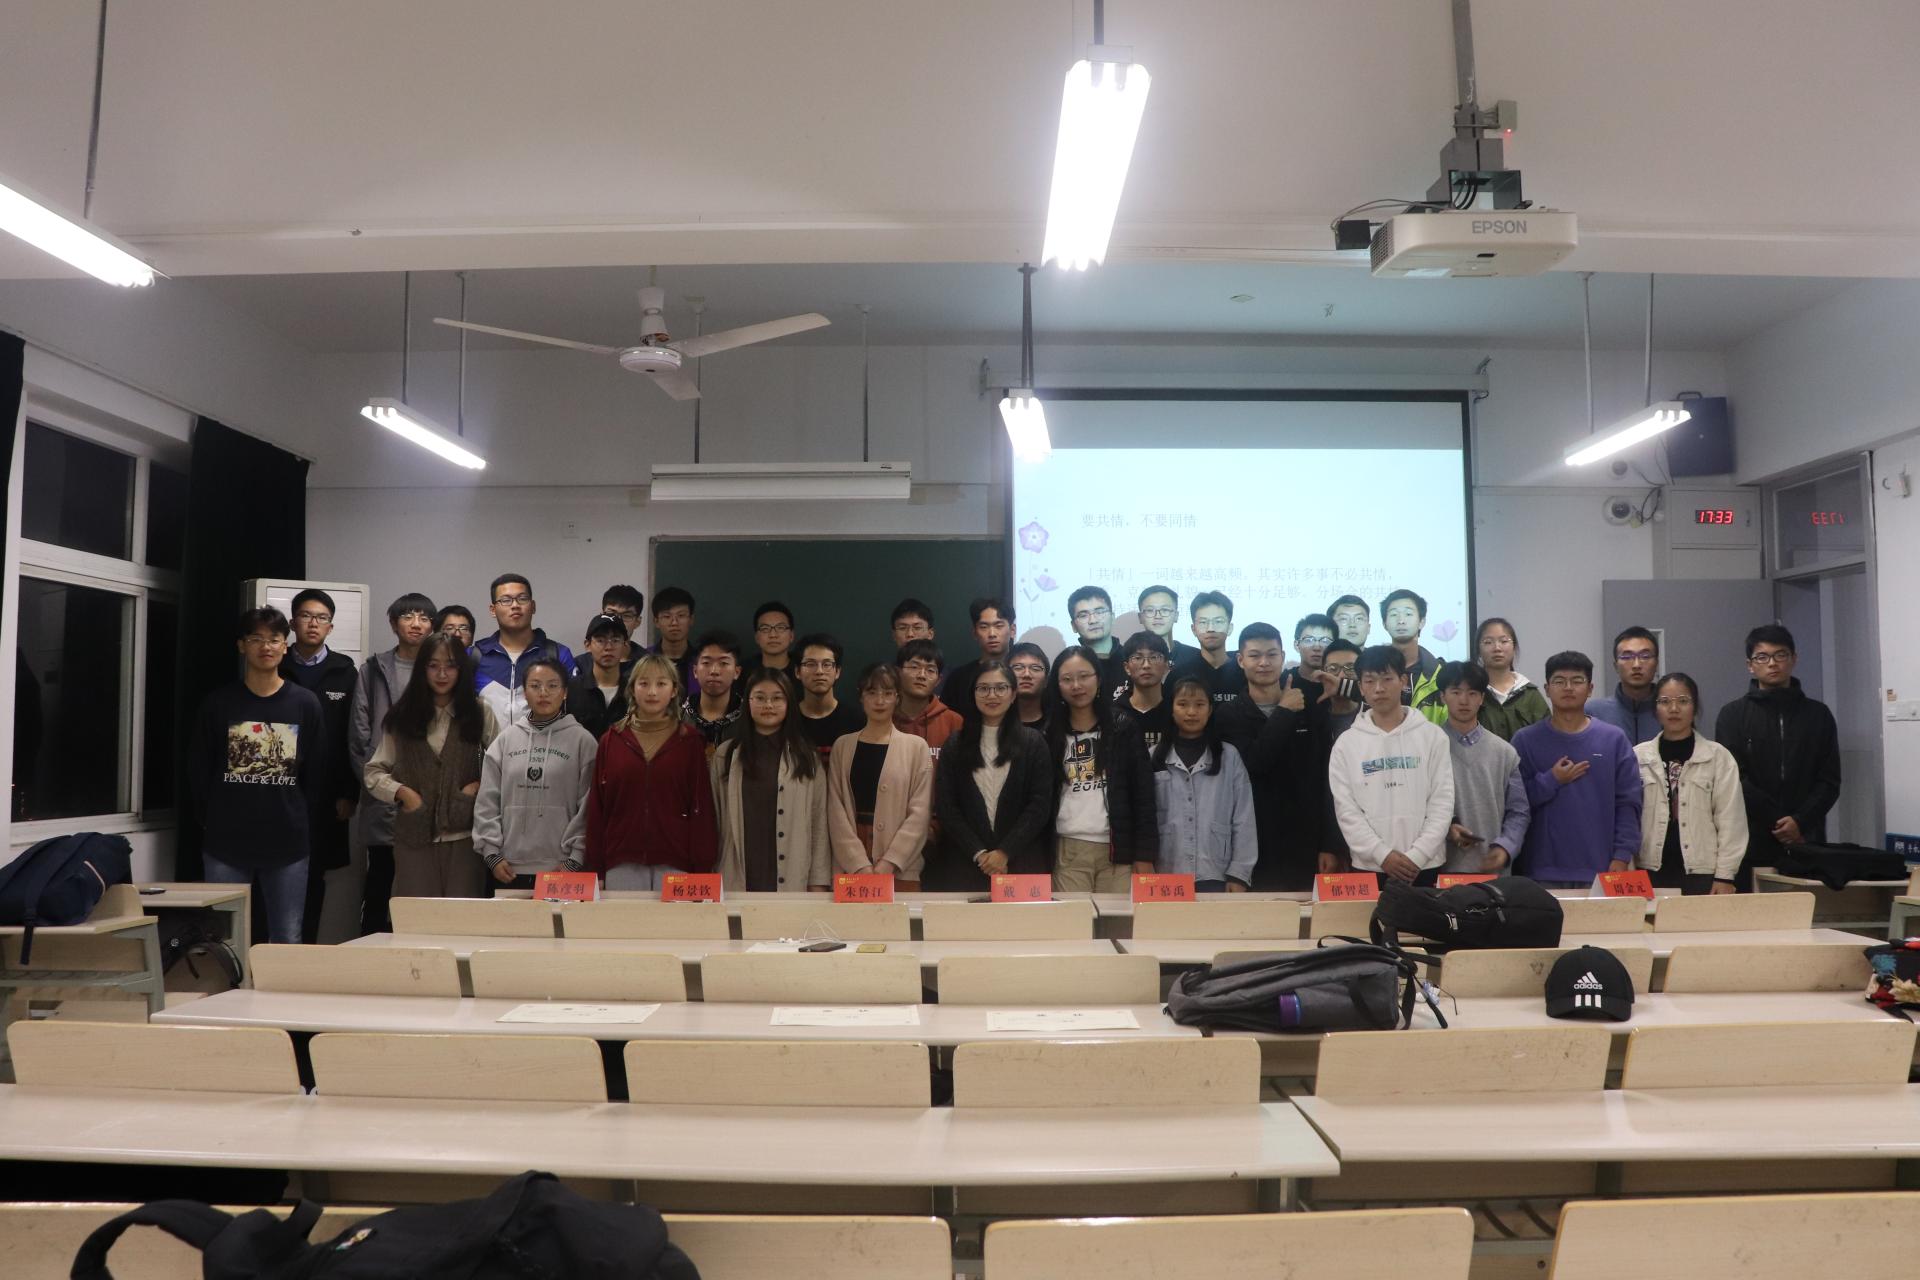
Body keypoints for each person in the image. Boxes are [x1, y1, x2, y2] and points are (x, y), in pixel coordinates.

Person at [189, 607, 326, 944]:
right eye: (256, 639)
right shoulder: (218, 704)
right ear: (242, 646)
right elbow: (199, 770)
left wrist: (298, 818)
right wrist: (211, 819)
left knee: (287, 937)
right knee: (223, 939)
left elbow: (317, 774)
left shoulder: (305, 704)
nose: (266, 647)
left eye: (274, 639)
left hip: (288, 843)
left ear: (285, 646)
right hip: (226, 842)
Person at [363, 633, 501, 899]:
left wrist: (477, 787)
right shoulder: (402, 715)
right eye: (433, 665)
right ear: (421, 669)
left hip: (466, 837)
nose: (442, 674)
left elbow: (503, 766)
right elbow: (373, 772)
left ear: (461, 670)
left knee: (462, 917)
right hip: (414, 837)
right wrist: (403, 793)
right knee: (416, 916)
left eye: (450, 665)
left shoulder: (479, 711)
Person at [1713, 624, 1842, 888]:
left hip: (1806, 838)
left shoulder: (1819, 715)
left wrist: (1800, 822)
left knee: (1806, 909)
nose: (1772, 663)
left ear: (1794, 659)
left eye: (1780, 655)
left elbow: (1829, 780)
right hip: (1751, 839)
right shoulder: (1732, 715)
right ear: (1750, 665)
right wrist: (1778, 821)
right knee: (1752, 909)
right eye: (1762, 657)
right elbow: (1734, 778)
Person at [585, 653, 718, 890]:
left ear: (674, 690)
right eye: (644, 683)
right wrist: (595, 868)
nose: (652, 692)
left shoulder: (690, 741)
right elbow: (597, 808)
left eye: (661, 684)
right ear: (632, 689)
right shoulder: (611, 740)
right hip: (620, 861)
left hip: (677, 861)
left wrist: (702, 869)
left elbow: (701, 808)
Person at [1511, 651, 1641, 888]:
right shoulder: (1525, 740)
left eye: (1577, 681)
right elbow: (1515, 804)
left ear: (1590, 689)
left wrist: (1622, 855)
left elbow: (1628, 803)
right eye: (1559, 681)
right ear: (1547, 689)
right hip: (1540, 870)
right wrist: (1551, 780)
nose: (1568, 688)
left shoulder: (1614, 740)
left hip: (1602, 867)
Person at [1327, 646, 1454, 884]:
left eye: (1387, 679)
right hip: (1370, 865)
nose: (1379, 688)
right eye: (1370, 681)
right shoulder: (1346, 744)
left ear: (1403, 681)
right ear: (1361, 687)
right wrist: (1382, 855)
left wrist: (1418, 855)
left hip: (1425, 864)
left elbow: (1442, 802)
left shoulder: (1433, 736)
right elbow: (1347, 810)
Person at [348, 591, 437, 935]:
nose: (416, 624)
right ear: (393, 623)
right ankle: (371, 950)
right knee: (380, 880)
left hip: (430, 797)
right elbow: (359, 736)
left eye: (424, 618)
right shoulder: (372, 670)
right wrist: (380, 785)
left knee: (423, 887)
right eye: (408, 616)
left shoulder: (440, 668)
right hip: (383, 793)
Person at [926, 659, 1054, 891]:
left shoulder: (1033, 743)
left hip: (1021, 864)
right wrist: (980, 854)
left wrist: (1004, 852)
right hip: (966, 865)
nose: (991, 695)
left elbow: (1040, 805)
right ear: (973, 694)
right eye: (983, 688)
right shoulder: (955, 744)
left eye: (1000, 688)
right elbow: (947, 806)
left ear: (1013, 694)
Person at [472, 656, 597, 891]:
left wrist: (575, 858)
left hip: (562, 867)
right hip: (508, 867)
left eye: (552, 686)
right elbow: (487, 800)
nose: (543, 693)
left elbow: (589, 806)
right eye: (535, 686)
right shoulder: (506, 740)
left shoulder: (583, 742)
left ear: (565, 693)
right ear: (525, 692)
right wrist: (492, 853)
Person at [279, 588, 358, 942]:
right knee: (276, 867)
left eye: (322, 618)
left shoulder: (345, 671)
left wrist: (349, 792)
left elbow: (352, 736)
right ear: (293, 622)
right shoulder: (276, 664)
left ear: (331, 626)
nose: (314, 623)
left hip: (328, 791)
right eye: (307, 616)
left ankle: (306, 947)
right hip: (282, 787)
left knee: (316, 872)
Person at [1048, 644, 1157, 892]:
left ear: (1098, 678)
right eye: (1067, 679)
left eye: (1084, 676)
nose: (1076, 685)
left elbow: (1143, 795)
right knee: (1074, 918)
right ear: (1057, 685)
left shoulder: (1123, 727)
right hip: (1069, 848)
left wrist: (1145, 854)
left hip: (1118, 849)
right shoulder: (1050, 733)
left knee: (1117, 918)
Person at [711, 668, 831, 892]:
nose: (768, 705)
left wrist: (818, 882)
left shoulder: (806, 757)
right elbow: (714, 821)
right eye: (760, 698)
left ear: (789, 704)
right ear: (747, 703)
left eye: (777, 698)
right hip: (735, 876)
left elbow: (819, 824)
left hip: (793, 876)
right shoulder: (725, 755)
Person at [1215, 622, 1313, 889]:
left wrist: (1329, 844)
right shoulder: (1228, 714)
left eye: (1271, 654)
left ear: (1283, 657)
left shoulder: (1305, 707)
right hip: (1252, 839)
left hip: (1303, 838)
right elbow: (1254, 764)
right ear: (1240, 660)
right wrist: (1283, 712)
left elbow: (1319, 776)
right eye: (1255, 655)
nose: (1264, 663)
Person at [826, 663, 933, 887]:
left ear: (897, 698)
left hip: (901, 868)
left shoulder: (916, 747)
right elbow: (836, 810)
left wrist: (889, 862)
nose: (880, 700)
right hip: (850, 863)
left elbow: (920, 814)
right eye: (872, 692)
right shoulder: (842, 746)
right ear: (861, 697)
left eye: (887, 693)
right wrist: (859, 864)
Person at [1637, 673, 1745, 894]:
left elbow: (1731, 821)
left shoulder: (1717, 757)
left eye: (1683, 701)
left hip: (1702, 873)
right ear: (1655, 708)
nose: (1673, 708)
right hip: (1647, 870)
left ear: (1695, 707)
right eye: (1665, 701)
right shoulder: (1637, 757)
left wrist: (1725, 875)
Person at [1151, 675, 1257, 891]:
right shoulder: (1153, 757)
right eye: (1182, 704)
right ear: (1171, 709)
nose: (1191, 712)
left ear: (1210, 710)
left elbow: (1244, 817)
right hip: (1167, 871)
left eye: (1199, 704)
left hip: (1217, 871)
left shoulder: (1229, 756)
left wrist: (1239, 874)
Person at [1435, 661, 1530, 875]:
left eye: (1472, 693)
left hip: (1493, 873)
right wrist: (1447, 828)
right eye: (1456, 692)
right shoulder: (1429, 747)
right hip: (1442, 873)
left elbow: (1519, 811)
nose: (1464, 700)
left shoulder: (1505, 752)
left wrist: (1506, 847)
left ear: (1482, 698)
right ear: (1442, 697)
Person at [472, 573, 575, 727]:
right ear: (493, 610)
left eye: (522, 598)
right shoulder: (475, 656)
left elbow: (574, 709)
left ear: (533, 606)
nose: (515, 605)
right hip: (489, 743)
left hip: (546, 741)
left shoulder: (558, 654)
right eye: (506, 600)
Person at [792, 632, 865, 760]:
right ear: (798, 672)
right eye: (810, 664)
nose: (819, 671)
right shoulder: (788, 719)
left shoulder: (857, 720)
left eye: (826, 664)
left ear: (837, 671)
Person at [942, 597, 1016, 720]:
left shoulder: (1022, 674)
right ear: (974, 633)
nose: (992, 634)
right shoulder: (958, 678)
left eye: (999, 626)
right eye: (984, 627)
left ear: (1012, 630)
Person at [1475, 617, 1548, 741]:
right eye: (1488, 642)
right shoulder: (1472, 692)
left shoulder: (1530, 694)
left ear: (1514, 647)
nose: (1497, 648)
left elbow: (1546, 737)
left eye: (1504, 641)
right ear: (1478, 650)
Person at [1586, 626, 1662, 744]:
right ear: (1616, 666)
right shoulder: (1593, 714)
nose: (1636, 665)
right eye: (1627, 657)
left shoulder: (1671, 712)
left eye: (1645, 656)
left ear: (1656, 664)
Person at [893, 638, 964, 760]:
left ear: (938, 680)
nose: (922, 675)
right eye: (914, 667)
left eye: (930, 670)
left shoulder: (953, 721)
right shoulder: (884, 717)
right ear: (898, 672)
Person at [564, 612, 632, 739]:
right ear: (587, 645)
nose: (608, 647)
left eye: (615, 640)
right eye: (600, 640)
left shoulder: (634, 691)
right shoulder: (570, 690)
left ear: (625, 646)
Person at [1380, 588, 1443, 722]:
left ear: (1422, 622)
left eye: (1408, 614)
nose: (1401, 621)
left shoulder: (1439, 675)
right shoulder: (1371, 671)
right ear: (1384, 624)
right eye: (1393, 615)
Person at [1178, 590, 1245, 704]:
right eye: (1203, 622)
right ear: (1194, 629)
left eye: (1218, 621)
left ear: (1230, 628)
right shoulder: (1180, 674)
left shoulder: (1245, 672)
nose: (1210, 629)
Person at [682, 630, 744, 753]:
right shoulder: (678, 717)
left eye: (723, 663)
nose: (714, 671)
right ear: (695, 671)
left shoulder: (748, 718)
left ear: (737, 672)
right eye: (706, 663)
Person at [1112, 631, 1173, 755]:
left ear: (1166, 666)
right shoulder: (1115, 714)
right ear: (1127, 668)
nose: (1146, 665)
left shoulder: (1176, 711)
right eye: (1138, 658)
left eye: (1154, 657)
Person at [1066, 585, 1127, 699]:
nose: (1093, 620)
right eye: (1083, 615)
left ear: (1112, 617)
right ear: (1074, 626)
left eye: (1099, 612)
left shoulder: (1132, 660)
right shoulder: (1066, 666)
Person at [1136, 584, 1201, 669]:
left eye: (1165, 610)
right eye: (1150, 610)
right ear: (1140, 617)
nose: (1158, 616)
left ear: (1176, 616)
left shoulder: (1196, 658)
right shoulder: (1129, 658)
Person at [648, 586, 697, 687]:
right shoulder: (643, 659)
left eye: (681, 615)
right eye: (667, 616)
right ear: (656, 621)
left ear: (691, 619)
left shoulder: (702, 661)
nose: (674, 622)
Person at [1008, 641, 1051, 730]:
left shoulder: (1058, 722)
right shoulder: (995, 721)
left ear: (1046, 680)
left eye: (1035, 668)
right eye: (1018, 668)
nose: (1026, 674)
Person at [746, 600, 796, 674]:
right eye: (765, 629)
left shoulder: (804, 670)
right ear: (757, 637)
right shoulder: (743, 672)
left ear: (791, 635)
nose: (773, 635)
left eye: (780, 628)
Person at [1291, 613, 1337, 690]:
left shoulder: (1344, 684)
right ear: (1297, 645)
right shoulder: (1282, 681)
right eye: (1309, 640)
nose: (1317, 647)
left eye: (1325, 641)